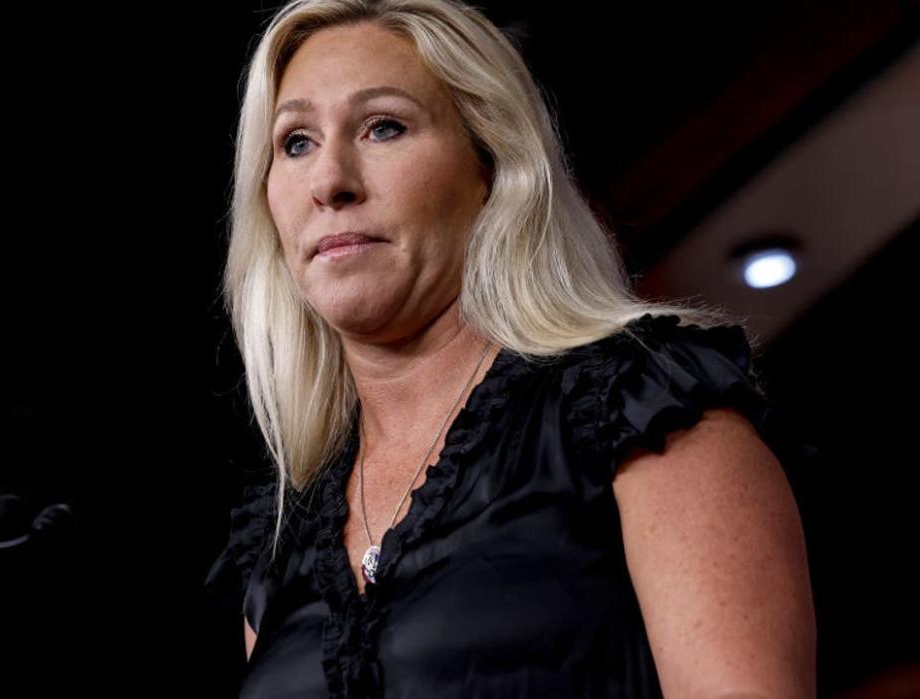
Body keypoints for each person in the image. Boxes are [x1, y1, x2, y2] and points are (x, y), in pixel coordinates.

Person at [204, 0, 818, 696]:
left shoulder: (646, 406)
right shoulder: (281, 540)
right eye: (295, 142)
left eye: (384, 127)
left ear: (491, 166)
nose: (329, 180)